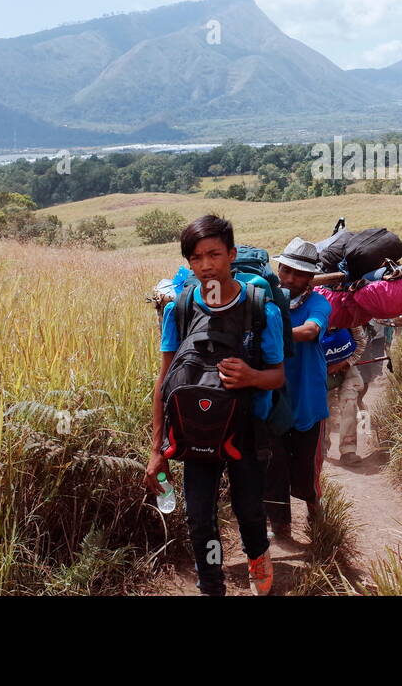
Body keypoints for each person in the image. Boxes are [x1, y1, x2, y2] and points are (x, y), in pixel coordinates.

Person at [144, 215, 286, 596]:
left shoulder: (261, 309)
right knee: (200, 520)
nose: (206, 264)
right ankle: (212, 585)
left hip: (247, 429)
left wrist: (252, 377)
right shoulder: (181, 309)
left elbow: (278, 376)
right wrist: (157, 450)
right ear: (188, 262)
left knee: (250, 510)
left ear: (232, 255)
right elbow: (164, 380)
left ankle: (259, 561)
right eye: (196, 257)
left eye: (214, 254)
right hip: (196, 431)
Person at [262, 237, 333, 542]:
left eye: (298, 273)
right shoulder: (265, 300)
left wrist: (270, 333)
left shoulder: (319, 303)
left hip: (307, 398)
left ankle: (316, 514)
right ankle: (280, 526)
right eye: (286, 270)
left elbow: (311, 330)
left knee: (306, 467)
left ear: (310, 279)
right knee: (273, 464)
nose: (290, 278)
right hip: (273, 399)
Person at [327, 322, 388, 465]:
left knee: (350, 402)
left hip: (346, 368)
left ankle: (348, 451)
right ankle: (321, 448)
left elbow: (361, 342)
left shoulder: (347, 317)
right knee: (322, 406)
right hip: (318, 367)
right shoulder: (312, 312)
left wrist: (345, 363)